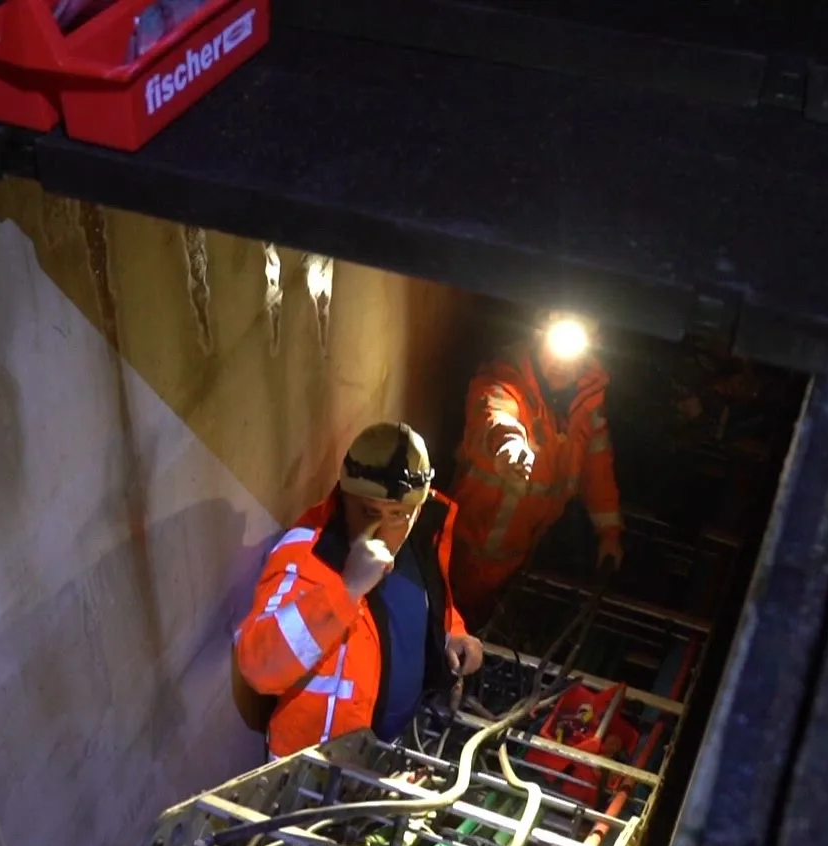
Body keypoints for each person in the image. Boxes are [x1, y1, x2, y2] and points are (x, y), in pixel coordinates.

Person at [233, 422, 485, 760]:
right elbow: (258, 667)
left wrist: (451, 634)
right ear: (344, 495)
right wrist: (347, 589)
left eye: (397, 514)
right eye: (368, 511)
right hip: (318, 781)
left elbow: (420, 606)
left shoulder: (419, 543)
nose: (380, 528)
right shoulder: (307, 555)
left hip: (398, 751)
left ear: (418, 508)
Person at [446, 309, 625, 630]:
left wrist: (609, 535)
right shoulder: (506, 378)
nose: (561, 364)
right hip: (464, 552)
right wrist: (509, 445)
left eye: (573, 357)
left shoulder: (588, 404)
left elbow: (597, 469)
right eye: (556, 351)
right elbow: (495, 411)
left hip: (522, 553)